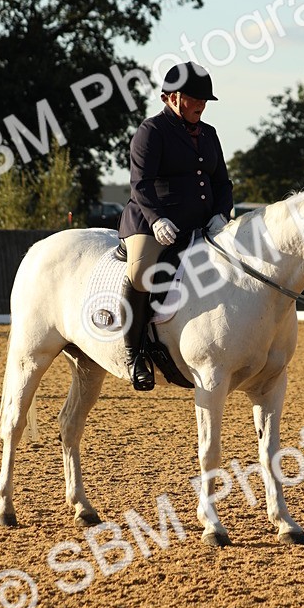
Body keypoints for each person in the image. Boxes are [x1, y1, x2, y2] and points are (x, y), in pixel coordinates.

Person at [118, 61, 234, 390]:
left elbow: (222, 183)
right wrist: (156, 220)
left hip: (202, 224)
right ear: (172, 98)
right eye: (195, 99)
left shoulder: (209, 134)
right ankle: (135, 352)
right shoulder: (151, 131)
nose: (201, 105)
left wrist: (221, 213)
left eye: (204, 101)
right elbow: (140, 184)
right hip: (152, 221)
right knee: (141, 273)